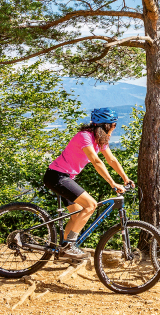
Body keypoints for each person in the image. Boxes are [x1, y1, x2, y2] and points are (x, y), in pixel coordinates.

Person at [42, 108, 132, 260]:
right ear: (106, 126)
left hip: (66, 177)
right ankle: (70, 246)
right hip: (57, 176)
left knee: (77, 215)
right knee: (91, 205)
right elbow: (96, 161)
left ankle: (63, 251)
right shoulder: (85, 137)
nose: (115, 128)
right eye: (114, 125)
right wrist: (112, 183)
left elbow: (111, 160)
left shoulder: (99, 140)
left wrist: (125, 178)